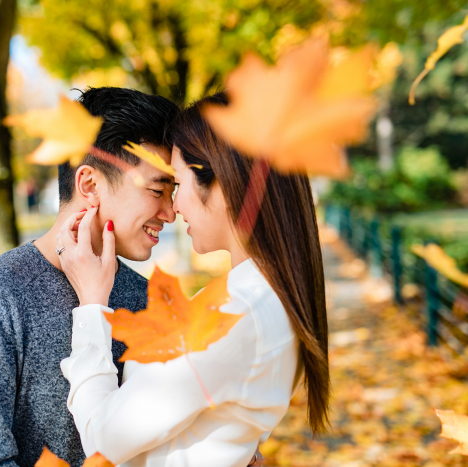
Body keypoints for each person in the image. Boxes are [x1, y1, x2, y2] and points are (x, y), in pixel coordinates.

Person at [56, 92, 330, 466]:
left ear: (225, 185)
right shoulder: (261, 298)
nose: (173, 208)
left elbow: (103, 439)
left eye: (178, 185)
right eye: (161, 189)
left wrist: (91, 307)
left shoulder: (234, 314)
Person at [0, 87, 180, 467]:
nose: (171, 212)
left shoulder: (154, 301)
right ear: (89, 185)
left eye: (174, 192)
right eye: (157, 189)